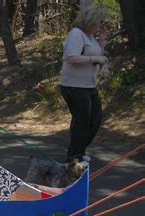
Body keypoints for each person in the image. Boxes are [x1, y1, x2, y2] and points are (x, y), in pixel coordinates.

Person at [60, 4, 109, 164]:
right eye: (96, 23)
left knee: (95, 119)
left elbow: (97, 56)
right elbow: (73, 58)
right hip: (73, 86)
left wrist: (101, 42)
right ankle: (75, 156)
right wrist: (95, 59)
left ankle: (77, 150)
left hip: (89, 85)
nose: (98, 27)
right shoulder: (76, 34)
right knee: (82, 121)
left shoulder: (91, 38)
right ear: (88, 21)